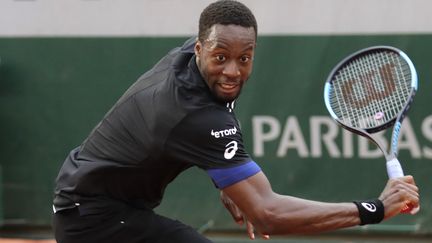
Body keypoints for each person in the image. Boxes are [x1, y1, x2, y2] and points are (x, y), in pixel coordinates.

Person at [52, 0, 420, 242]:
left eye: (245, 59)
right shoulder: (193, 114)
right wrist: (374, 208)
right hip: (96, 222)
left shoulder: (190, 60)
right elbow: (269, 214)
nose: (233, 71)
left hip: (95, 203)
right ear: (199, 49)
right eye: (221, 57)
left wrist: (226, 183)